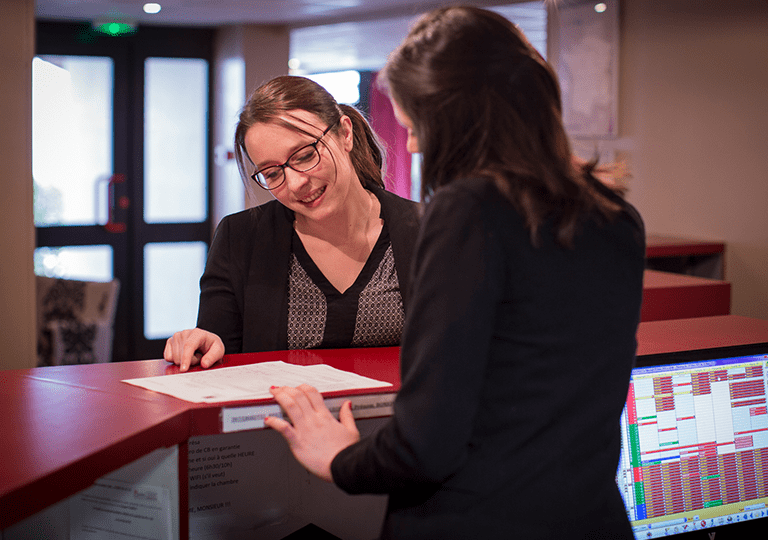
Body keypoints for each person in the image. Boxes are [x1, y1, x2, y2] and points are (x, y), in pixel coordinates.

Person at [265, 6, 645, 539]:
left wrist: (340, 458)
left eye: (417, 126)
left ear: (455, 116)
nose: (415, 145)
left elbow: (427, 443)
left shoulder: (470, 209)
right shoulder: (616, 215)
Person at [164, 76, 420, 372]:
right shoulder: (241, 238)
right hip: (280, 416)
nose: (296, 183)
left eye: (306, 155)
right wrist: (200, 343)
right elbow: (218, 351)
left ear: (345, 134)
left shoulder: (425, 231)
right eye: (272, 174)